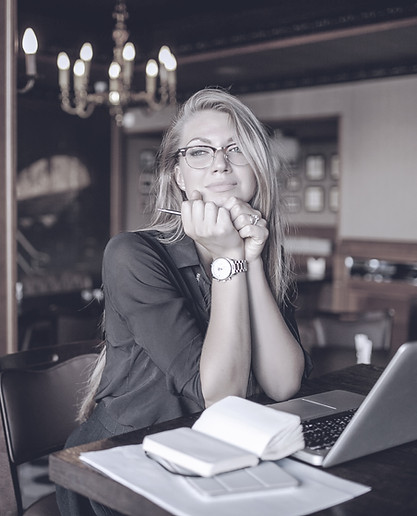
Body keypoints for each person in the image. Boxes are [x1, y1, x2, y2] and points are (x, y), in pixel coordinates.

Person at [56, 87, 312, 516]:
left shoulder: (262, 251)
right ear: (177, 175)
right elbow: (222, 395)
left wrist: (247, 261)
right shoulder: (132, 254)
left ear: (257, 167)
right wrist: (230, 258)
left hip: (218, 452)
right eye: (200, 152)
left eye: (236, 148)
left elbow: (283, 384)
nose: (219, 163)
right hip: (123, 460)